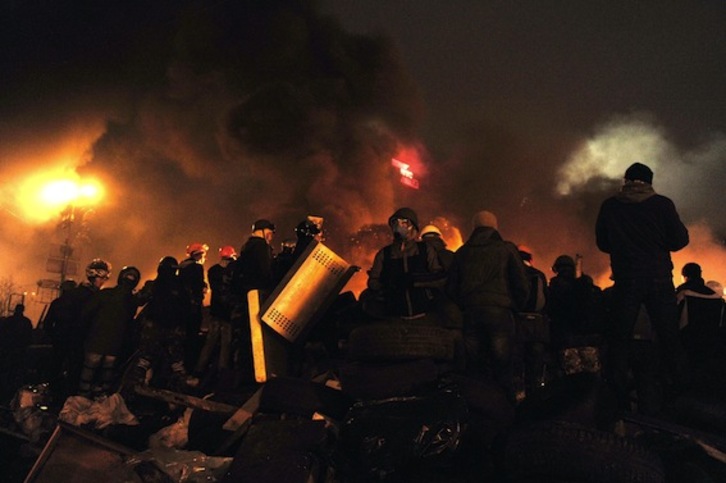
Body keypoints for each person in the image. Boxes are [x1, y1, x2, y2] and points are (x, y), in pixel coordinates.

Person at [595, 161, 690, 413]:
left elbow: (602, 243)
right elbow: (681, 240)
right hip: (658, 277)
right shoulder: (662, 204)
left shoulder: (610, 206)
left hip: (626, 279)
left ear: (626, 180)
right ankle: (679, 395)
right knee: (669, 336)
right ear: (650, 180)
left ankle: (617, 398)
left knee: (619, 338)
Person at [447, 210, 530, 404]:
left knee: (476, 368)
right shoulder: (507, 249)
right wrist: (514, 307)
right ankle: (505, 416)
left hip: (471, 314)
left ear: (474, 227)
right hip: (500, 314)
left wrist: (466, 304)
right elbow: (521, 284)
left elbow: (451, 287)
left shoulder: (462, 252)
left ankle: (480, 415)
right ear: (495, 227)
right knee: (502, 368)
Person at [45, 259, 111, 399]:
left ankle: (53, 395)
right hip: (79, 341)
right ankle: (68, 399)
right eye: (103, 278)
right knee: (75, 371)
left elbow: (48, 323)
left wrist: (55, 336)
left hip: (61, 339)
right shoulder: (94, 298)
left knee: (56, 367)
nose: (103, 282)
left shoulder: (65, 298)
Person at [366, 208, 445, 321]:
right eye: (395, 222)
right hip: (394, 316)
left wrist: (415, 281)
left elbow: (439, 278)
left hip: (425, 315)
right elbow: (373, 281)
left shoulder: (425, 249)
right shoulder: (384, 254)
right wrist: (387, 285)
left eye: (404, 222)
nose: (399, 226)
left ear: (413, 226)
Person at [130, 257, 193, 391]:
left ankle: (135, 389)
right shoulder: (183, 288)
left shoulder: (154, 285)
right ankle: (179, 392)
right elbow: (188, 308)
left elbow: (139, 300)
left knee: (144, 360)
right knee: (176, 364)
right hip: (175, 331)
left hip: (153, 329)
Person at [78, 266, 141, 399]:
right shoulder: (131, 301)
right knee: (107, 373)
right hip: (115, 344)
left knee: (88, 372)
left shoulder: (104, 294)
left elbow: (85, 315)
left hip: (95, 340)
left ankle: (81, 399)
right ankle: (101, 398)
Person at [226, 219, 277, 383]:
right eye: (269, 233)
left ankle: (240, 376)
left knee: (243, 341)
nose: (270, 237)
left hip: (244, 300)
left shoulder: (247, 247)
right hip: (256, 299)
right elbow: (266, 272)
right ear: (262, 231)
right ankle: (251, 379)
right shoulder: (261, 247)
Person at [193, 246, 237, 381]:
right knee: (226, 343)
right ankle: (222, 372)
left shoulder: (212, 271)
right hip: (228, 312)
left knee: (210, 341)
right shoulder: (232, 272)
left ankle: (199, 369)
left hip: (215, 311)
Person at [675, 262, 724, 384]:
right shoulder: (716, 297)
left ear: (685, 276)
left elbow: (672, 316)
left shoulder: (682, 293)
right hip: (712, 339)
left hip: (686, 338)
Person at [516, 245, 550, 395]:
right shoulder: (539, 275)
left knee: (517, 365)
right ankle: (535, 400)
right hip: (537, 326)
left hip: (517, 324)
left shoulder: (513, 273)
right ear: (530, 259)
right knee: (535, 367)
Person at [179, 242, 209, 369]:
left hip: (181, 307)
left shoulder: (182, 266)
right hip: (193, 307)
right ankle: (190, 366)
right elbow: (198, 287)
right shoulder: (196, 268)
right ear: (199, 254)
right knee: (192, 337)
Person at [0, 304, 34, 401]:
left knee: (5, 371)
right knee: (15, 372)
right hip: (19, 351)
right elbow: (29, 337)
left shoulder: (8, 321)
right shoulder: (26, 322)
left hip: (7, 350)